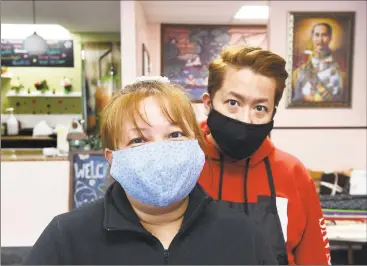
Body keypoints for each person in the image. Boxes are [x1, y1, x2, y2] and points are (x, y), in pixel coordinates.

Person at [24, 76, 277, 265]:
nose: (160, 150)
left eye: (175, 134)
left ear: (196, 146)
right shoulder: (67, 238)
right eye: (138, 140)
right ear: (113, 158)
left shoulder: (242, 235)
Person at [198, 46, 331, 265]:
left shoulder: (292, 172)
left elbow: (315, 258)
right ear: (208, 103)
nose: (246, 120)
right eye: (233, 103)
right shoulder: (182, 165)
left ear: (272, 114)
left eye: (260, 108)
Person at [292, 22, 343, 102]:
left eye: (324, 35)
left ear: (330, 38)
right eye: (317, 35)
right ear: (312, 37)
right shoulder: (301, 70)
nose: (320, 39)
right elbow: (295, 99)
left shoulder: (339, 70)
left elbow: (341, 100)